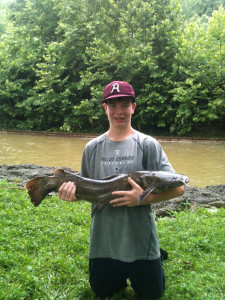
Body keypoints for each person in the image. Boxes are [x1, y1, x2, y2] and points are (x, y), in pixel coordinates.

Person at [58, 81, 184, 299]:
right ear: (105, 108)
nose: (119, 111)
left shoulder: (148, 144)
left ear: (133, 107)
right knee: (102, 290)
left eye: (124, 104)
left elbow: (179, 188)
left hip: (140, 239)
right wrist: (70, 193)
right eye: (113, 105)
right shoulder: (92, 148)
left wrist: (142, 200)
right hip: (103, 239)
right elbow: (87, 188)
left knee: (153, 293)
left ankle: (155, 258)